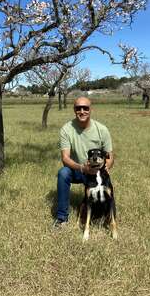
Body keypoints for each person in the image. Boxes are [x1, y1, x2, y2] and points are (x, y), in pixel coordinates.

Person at [53, 96, 114, 227]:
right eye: (78, 108)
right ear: (74, 110)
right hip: (78, 170)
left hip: (97, 171)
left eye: (85, 108)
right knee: (63, 173)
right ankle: (62, 218)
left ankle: (105, 215)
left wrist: (106, 167)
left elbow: (110, 156)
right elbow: (65, 158)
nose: (82, 111)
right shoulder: (66, 129)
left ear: (91, 110)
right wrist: (83, 168)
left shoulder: (102, 129)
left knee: (108, 189)